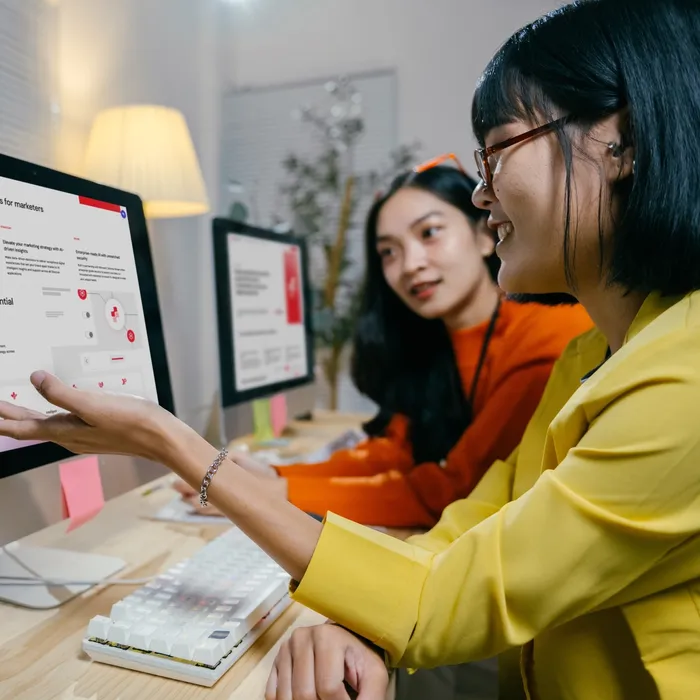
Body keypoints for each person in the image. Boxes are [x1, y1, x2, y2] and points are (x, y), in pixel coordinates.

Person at [3, 0, 700, 698]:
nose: (483, 193)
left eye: (498, 152)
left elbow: (444, 584)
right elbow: (464, 527)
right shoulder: (591, 355)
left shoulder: (680, 383)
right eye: (389, 251)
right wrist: (360, 602)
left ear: (623, 141)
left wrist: (172, 442)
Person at [176, 166, 591, 528]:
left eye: (429, 234)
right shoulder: (435, 340)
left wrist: (275, 493)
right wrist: (271, 475)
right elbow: (397, 454)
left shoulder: (545, 338)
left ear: (486, 235)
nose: (409, 264)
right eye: (388, 252)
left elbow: (452, 489)